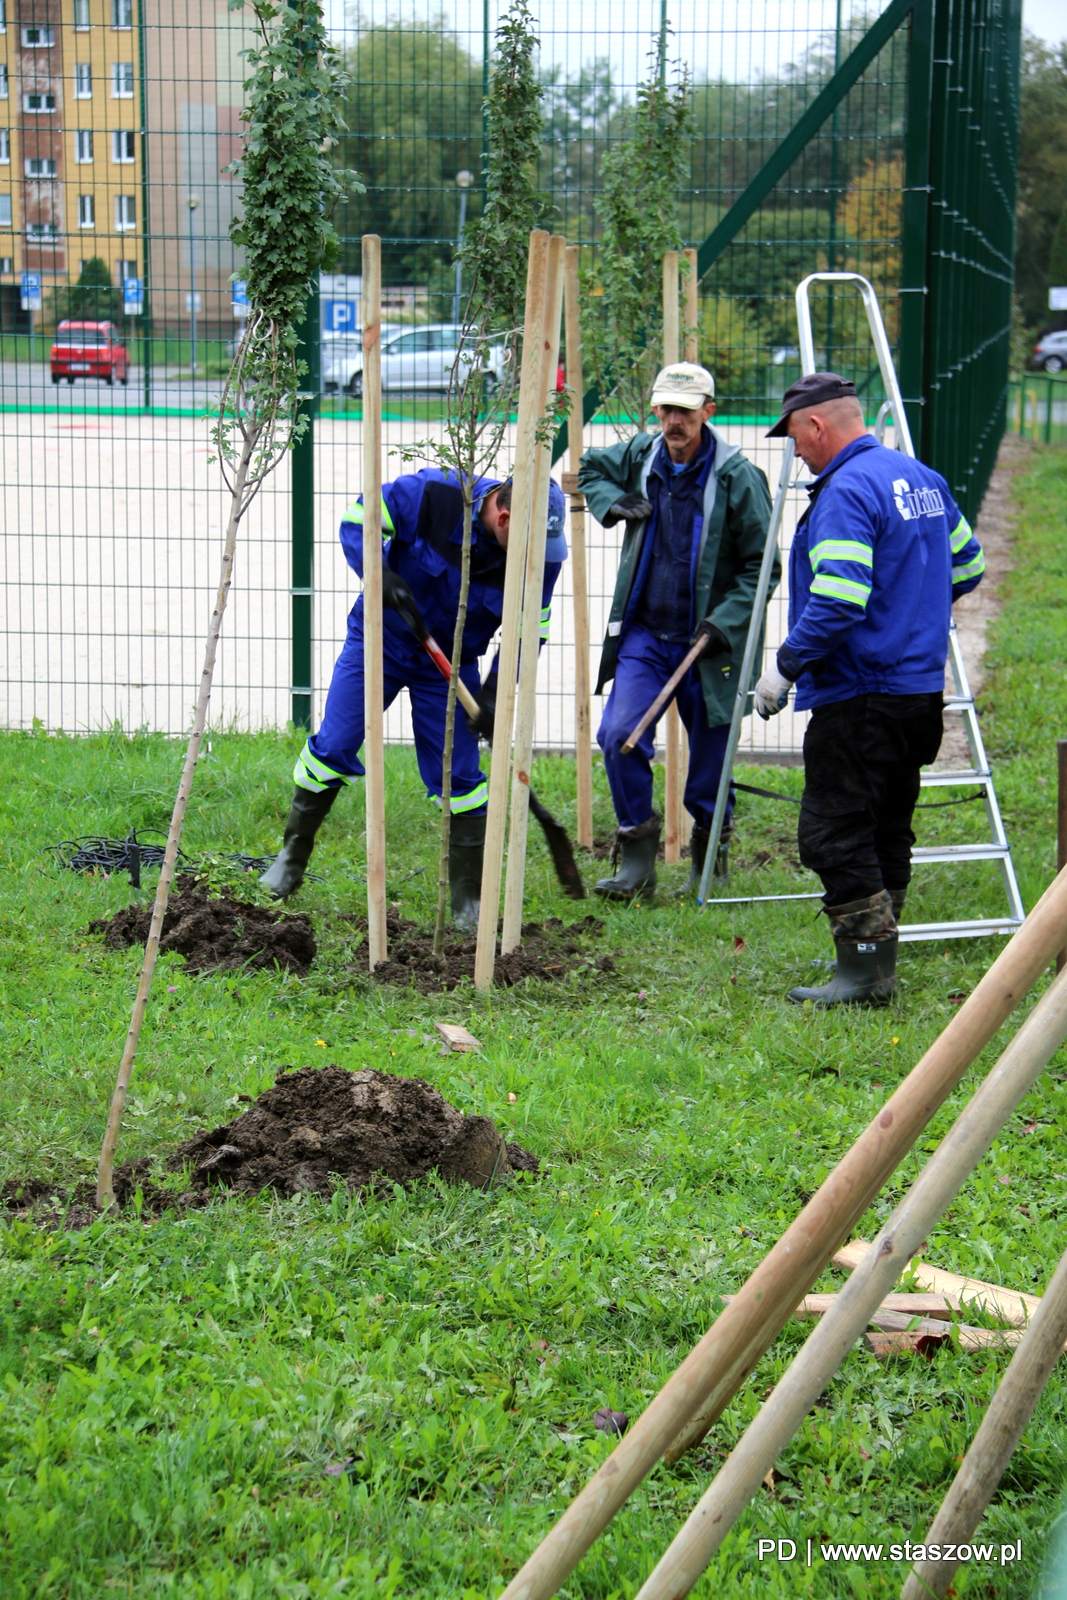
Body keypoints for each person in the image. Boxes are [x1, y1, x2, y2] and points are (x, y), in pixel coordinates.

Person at [755, 372, 986, 1005]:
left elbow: (837, 598)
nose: (795, 451)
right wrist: (912, 610)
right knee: (888, 825)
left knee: (832, 832)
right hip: (918, 694)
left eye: (795, 438)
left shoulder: (846, 491)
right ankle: (877, 964)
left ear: (817, 426)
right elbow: (968, 566)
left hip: (859, 694)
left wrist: (784, 667)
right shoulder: (923, 479)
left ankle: (862, 971)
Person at [261, 469, 567, 926]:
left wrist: (492, 693)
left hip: (450, 665)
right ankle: (291, 856)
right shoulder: (434, 493)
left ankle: (468, 901)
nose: (537, 559)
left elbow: (530, 630)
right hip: (379, 641)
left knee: (460, 778)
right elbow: (357, 519)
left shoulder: (541, 552)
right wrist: (378, 571)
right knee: (335, 745)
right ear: (503, 517)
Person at [578, 361, 775, 898]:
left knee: (710, 758)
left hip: (710, 643)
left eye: (685, 412)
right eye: (665, 409)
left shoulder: (738, 478)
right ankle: (637, 865)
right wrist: (610, 502)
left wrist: (724, 621)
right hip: (645, 635)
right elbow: (589, 468)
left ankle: (709, 863)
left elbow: (765, 565)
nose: (673, 421)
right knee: (620, 737)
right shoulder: (642, 456)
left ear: (708, 412)